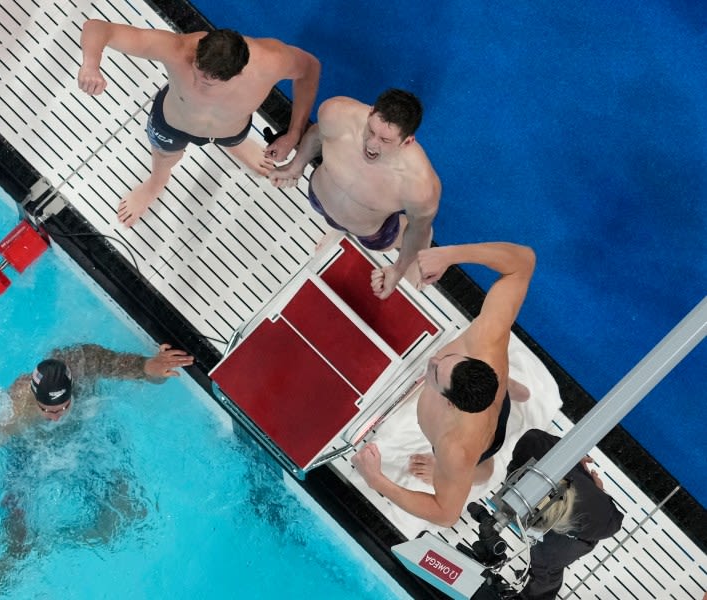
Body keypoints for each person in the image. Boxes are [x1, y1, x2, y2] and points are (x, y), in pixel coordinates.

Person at [0, 343, 193, 590]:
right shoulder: (13, 411)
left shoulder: (84, 362)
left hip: (85, 444)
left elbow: (141, 370)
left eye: (62, 408)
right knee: (18, 547)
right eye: (46, 410)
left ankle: (49, 542)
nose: (55, 417)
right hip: (30, 457)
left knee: (119, 522)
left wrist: (152, 368)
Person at [351, 241, 535, 527]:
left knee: (480, 469)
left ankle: (504, 396)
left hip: (482, 440)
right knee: (496, 373)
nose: (433, 362)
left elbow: (446, 514)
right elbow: (523, 262)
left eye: (436, 372)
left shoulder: (455, 449)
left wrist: (377, 480)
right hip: (489, 385)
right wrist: (450, 255)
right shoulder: (484, 343)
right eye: (447, 359)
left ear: (450, 401)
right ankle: (505, 387)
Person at [77, 20, 321, 227]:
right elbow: (98, 28)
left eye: (208, 82)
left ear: (237, 74)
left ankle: (236, 145)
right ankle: (156, 182)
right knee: (164, 158)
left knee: (233, 137)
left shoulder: (272, 61)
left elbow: (310, 69)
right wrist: (90, 64)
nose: (197, 81)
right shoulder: (178, 49)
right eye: (197, 70)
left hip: (231, 130)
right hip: (172, 125)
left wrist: (293, 134)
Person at [270, 89, 441, 299]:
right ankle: (338, 228)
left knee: (419, 226)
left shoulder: (418, 185)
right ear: (370, 113)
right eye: (371, 130)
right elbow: (317, 134)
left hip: (372, 232)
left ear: (407, 142)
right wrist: (295, 166)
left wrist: (398, 270)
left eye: (385, 140)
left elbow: (418, 231)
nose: (371, 144)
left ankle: (409, 259)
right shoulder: (336, 114)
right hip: (320, 198)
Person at [508, 429, 623, 599]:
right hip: (584, 501)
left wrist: (597, 493)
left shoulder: (595, 512)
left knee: (546, 568)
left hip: (571, 533)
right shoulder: (534, 445)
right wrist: (572, 455)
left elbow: (613, 523)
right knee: (546, 564)